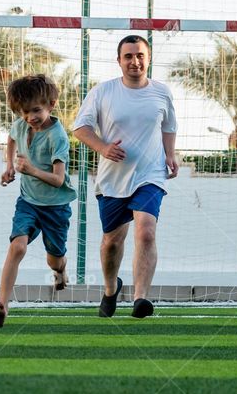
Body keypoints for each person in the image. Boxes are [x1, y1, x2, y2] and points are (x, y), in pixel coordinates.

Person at [73, 35, 178, 319]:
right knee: (112, 242)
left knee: (146, 232)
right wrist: (103, 148)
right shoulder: (103, 92)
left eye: (140, 55)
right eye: (129, 56)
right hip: (113, 179)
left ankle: (140, 298)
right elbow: (80, 128)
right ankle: (110, 289)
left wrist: (170, 154)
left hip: (150, 175)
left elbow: (168, 126)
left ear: (149, 58)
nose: (135, 61)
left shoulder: (161, 92)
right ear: (119, 61)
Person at [0, 74, 77, 328]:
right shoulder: (21, 124)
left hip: (55, 207)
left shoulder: (57, 137)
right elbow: (12, 139)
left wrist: (31, 171)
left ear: (51, 103)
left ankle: (60, 271)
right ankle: (3, 305)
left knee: (54, 259)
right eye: (24, 112)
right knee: (17, 247)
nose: (30, 117)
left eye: (36, 110)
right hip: (28, 201)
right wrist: (9, 166)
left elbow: (59, 180)